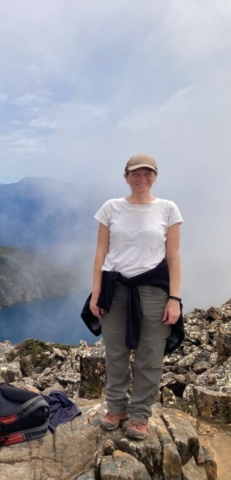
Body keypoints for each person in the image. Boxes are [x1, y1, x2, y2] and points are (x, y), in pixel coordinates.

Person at [87, 153, 183, 441]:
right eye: (136, 174)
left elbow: (174, 256)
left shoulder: (168, 209)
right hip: (115, 291)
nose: (142, 179)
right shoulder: (111, 208)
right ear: (126, 176)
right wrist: (96, 294)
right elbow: (101, 253)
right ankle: (115, 408)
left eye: (148, 174)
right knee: (115, 353)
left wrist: (174, 299)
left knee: (150, 355)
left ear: (155, 176)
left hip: (154, 291)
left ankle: (140, 415)